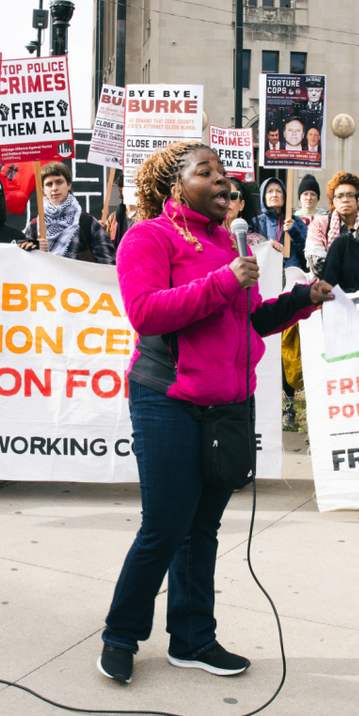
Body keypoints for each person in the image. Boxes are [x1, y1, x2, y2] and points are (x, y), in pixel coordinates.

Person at [97, 141, 332, 684]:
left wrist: (300, 301)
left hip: (227, 404)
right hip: (168, 400)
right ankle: (120, 634)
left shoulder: (228, 242)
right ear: (175, 185)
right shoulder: (147, 237)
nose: (222, 180)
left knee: (202, 527)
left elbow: (247, 322)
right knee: (165, 526)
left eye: (224, 172)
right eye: (206, 171)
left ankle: (193, 638)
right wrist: (226, 279)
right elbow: (146, 313)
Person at [25, 162, 115, 263]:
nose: (54, 188)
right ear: (43, 189)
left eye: (59, 182)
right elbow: (25, 266)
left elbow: (107, 262)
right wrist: (35, 250)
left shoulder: (87, 222)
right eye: (49, 184)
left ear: (68, 185)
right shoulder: (34, 226)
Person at [305, 172, 359, 277]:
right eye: (340, 196)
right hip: (328, 286)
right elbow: (318, 265)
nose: (345, 200)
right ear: (333, 201)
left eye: (350, 195)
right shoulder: (320, 224)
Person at [250, 177, 308, 271]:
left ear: (284, 197)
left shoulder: (296, 222)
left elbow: (307, 255)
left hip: (291, 273)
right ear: (263, 197)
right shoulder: (255, 223)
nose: (274, 195)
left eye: (278, 191)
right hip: (264, 273)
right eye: (270, 191)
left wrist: (296, 233)